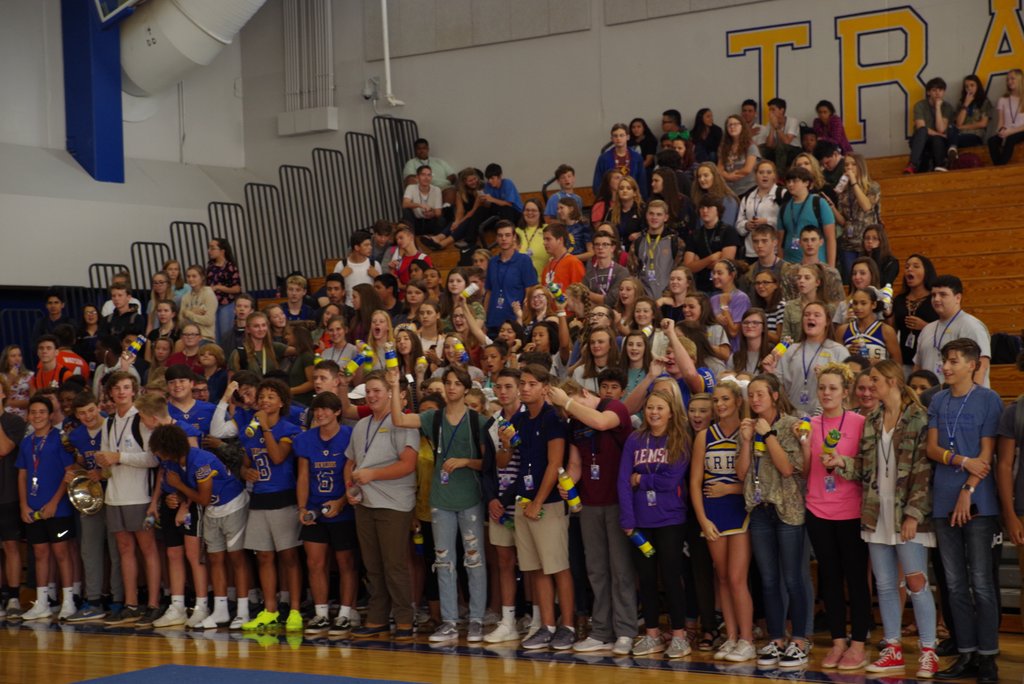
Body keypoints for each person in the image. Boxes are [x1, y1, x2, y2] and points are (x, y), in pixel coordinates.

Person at [388, 366, 490, 642]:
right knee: (443, 561)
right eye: (448, 382)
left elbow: (489, 463)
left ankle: (477, 619)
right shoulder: (433, 418)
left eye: (457, 383)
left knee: (474, 559)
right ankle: (449, 621)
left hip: (470, 497)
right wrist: (395, 386)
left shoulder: (478, 421)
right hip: (441, 499)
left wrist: (466, 462)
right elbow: (398, 419)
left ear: (467, 389)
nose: (452, 387)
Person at [926, 339, 1003, 684]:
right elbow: (932, 448)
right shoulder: (938, 399)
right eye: (945, 360)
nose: (946, 366)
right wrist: (959, 460)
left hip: (978, 502)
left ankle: (987, 657)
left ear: (972, 365)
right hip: (942, 501)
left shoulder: (989, 399)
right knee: (954, 584)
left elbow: (986, 456)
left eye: (953, 361)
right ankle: (966, 652)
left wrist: (967, 490)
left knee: (981, 583)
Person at [860, 360, 939, 678]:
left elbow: (923, 471)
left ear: (892, 381)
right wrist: (839, 462)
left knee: (917, 582)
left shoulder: (919, 417)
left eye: (875, 380)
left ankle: (928, 650)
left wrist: (913, 514)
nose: (870, 386)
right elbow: (865, 467)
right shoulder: (872, 418)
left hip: (908, 514)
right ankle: (892, 648)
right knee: (885, 584)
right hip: (876, 511)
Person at [800, 363, 870, 670]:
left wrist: (842, 461)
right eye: (822, 388)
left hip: (851, 511)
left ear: (845, 392)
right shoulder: (809, 425)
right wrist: (804, 448)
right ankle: (838, 641)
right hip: (818, 509)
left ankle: (859, 644)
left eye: (833, 388)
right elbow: (804, 470)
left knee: (856, 578)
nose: (826, 393)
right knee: (829, 577)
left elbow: (866, 466)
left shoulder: (859, 422)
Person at [740, 374, 811, 667]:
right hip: (760, 510)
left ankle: (800, 639)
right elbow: (741, 472)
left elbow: (787, 469)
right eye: (751, 395)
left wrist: (768, 435)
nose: (755, 399)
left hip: (788, 510)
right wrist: (747, 441)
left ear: (774, 396)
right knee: (768, 579)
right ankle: (777, 638)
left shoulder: (792, 424)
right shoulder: (749, 427)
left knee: (793, 577)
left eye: (760, 394)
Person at [343, 371, 418, 640]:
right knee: (372, 564)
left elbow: (408, 464)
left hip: (393, 503)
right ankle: (377, 618)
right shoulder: (361, 425)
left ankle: (404, 619)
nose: (371, 396)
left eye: (377, 390)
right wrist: (349, 488)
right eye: (368, 391)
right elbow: (350, 462)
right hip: (365, 501)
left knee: (393, 564)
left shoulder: (403, 423)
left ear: (390, 393)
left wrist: (372, 474)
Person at [618, 388, 691, 658]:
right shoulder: (635, 440)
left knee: (671, 577)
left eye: (660, 408)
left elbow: (670, 481)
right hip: (640, 523)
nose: (654, 412)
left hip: (670, 519)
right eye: (650, 408)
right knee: (646, 579)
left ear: (671, 412)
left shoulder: (680, 438)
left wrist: (641, 479)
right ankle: (652, 634)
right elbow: (623, 480)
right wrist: (628, 520)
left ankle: (680, 636)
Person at [506, 365, 575, 650]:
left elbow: (555, 463)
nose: (525, 388)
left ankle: (568, 625)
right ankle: (547, 625)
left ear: (545, 388)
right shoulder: (519, 419)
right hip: (523, 501)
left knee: (558, 566)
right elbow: (507, 459)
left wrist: (538, 501)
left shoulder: (553, 419)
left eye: (532, 384)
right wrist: (504, 444)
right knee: (535, 568)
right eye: (522, 383)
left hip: (548, 503)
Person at [688, 382, 756, 662]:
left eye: (725, 399)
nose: (720, 405)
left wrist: (729, 489)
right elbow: (695, 482)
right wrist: (702, 520)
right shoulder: (704, 436)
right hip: (713, 513)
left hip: (741, 511)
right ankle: (731, 636)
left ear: (738, 401)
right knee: (723, 577)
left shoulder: (748, 431)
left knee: (738, 579)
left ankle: (747, 639)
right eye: (716, 400)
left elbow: (755, 481)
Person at [95, 372, 162, 627]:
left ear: (134, 391)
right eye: (117, 388)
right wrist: (102, 462)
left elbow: (153, 459)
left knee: (148, 549)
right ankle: (131, 604)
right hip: (114, 495)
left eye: (126, 387)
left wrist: (119, 457)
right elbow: (106, 458)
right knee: (124, 550)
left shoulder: (141, 418)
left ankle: (153, 604)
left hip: (140, 494)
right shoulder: (108, 422)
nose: (121, 392)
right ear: (110, 394)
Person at [237, 379, 303, 632]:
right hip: (259, 499)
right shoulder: (251, 431)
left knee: (289, 556)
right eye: (262, 396)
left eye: (271, 397)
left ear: (282, 403)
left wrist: (265, 427)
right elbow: (245, 462)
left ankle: (294, 610)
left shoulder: (288, 429)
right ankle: (270, 610)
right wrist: (245, 472)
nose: (265, 401)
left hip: (283, 498)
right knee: (263, 556)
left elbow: (277, 457)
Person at [291, 392, 358, 636]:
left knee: (346, 562)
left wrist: (341, 502)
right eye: (317, 410)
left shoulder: (350, 435)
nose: (320, 414)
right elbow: (303, 476)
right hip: (315, 508)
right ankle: (320, 613)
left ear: (337, 411)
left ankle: (345, 614)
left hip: (344, 509)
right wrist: (302, 507)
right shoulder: (305, 439)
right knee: (314, 562)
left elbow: (355, 475)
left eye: (325, 409)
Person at [14, 394, 76, 621]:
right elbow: (22, 475)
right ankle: (42, 603)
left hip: (58, 509)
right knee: (40, 553)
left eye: (42, 412)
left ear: (50, 415)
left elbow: (69, 473)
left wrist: (54, 503)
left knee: (61, 552)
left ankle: (68, 601)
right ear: (28, 416)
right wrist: (23, 505)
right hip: (33, 507)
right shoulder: (27, 442)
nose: (37, 416)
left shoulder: (61, 439)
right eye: (33, 412)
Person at [763, 301, 850, 416]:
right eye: (807, 315)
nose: (810, 318)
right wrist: (771, 373)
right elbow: (779, 387)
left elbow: (848, 387)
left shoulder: (838, 351)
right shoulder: (791, 350)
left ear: (827, 321)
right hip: (793, 415)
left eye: (817, 315)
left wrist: (826, 378)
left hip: (824, 415)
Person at [913, 275, 992, 388]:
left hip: (960, 396)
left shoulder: (971, 326)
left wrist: (972, 396)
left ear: (958, 298)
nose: (936, 299)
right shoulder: (927, 329)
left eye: (943, 294)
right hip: (930, 396)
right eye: (933, 295)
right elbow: (918, 367)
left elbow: (980, 367)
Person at [485, 220, 538, 336]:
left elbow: (530, 292)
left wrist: (524, 319)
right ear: (496, 238)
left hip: (514, 323)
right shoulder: (492, 262)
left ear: (514, 237)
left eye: (507, 235)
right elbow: (489, 292)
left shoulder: (524, 260)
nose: (504, 239)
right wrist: (485, 319)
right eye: (500, 235)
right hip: (493, 322)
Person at [833, 154, 881, 278]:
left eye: (853, 164)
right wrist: (832, 208)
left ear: (860, 166)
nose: (849, 167)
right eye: (846, 165)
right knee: (852, 278)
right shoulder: (843, 191)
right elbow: (843, 221)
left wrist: (854, 183)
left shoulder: (872, 187)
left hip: (867, 242)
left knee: (868, 277)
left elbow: (866, 206)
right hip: (848, 242)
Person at [778, 166, 837, 268]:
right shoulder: (784, 208)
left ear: (806, 183)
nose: (790, 184)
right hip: (789, 264)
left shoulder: (819, 203)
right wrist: (780, 266)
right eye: (788, 181)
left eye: (795, 181)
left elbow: (830, 238)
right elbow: (780, 241)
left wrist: (830, 268)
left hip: (816, 265)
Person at [683, 197, 741, 294]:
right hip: (701, 287)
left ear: (718, 210)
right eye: (702, 208)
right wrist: (711, 258)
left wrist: (699, 262)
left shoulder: (728, 231)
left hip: (723, 287)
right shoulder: (695, 234)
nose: (705, 211)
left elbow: (726, 264)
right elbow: (688, 267)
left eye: (709, 207)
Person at [735, 161, 785, 263]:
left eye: (769, 172)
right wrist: (746, 225)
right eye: (761, 172)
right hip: (751, 251)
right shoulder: (747, 197)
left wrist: (767, 221)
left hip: (775, 251)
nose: (765, 175)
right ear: (755, 176)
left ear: (774, 175)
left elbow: (787, 223)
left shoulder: (782, 194)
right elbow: (739, 225)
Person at [635, 200, 686, 298]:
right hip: (643, 299)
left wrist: (668, 296)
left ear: (665, 217)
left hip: (668, 298)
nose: (654, 217)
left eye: (659, 214)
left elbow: (680, 272)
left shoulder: (676, 242)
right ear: (646, 216)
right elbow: (632, 273)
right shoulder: (638, 242)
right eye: (651, 214)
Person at [905, 77, 955, 173]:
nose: (937, 93)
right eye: (934, 90)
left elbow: (941, 129)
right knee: (923, 131)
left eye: (940, 90)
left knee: (937, 139)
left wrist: (938, 107)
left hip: (938, 142)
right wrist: (940, 134)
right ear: (928, 92)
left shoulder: (947, 107)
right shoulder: (920, 105)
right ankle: (912, 164)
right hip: (921, 140)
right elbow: (921, 127)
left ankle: (940, 166)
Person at [839, 288, 901, 362]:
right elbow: (835, 361)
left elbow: (898, 363)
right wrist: (846, 353)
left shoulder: (886, 331)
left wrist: (879, 363)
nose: (858, 307)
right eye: (855, 303)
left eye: (863, 303)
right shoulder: (842, 330)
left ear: (874, 305)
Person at [593, 123, 648, 198]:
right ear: (611, 139)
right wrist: (603, 199)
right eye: (615, 136)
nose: (618, 138)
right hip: (611, 198)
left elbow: (642, 182)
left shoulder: (637, 158)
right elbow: (597, 182)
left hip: (632, 198)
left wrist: (641, 199)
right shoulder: (604, 158)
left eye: (621, 135)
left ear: (628, 137)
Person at [948, 75, 993, 163]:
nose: (969, 88)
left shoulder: (984, 102)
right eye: (966, 86)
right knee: (949, 130)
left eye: (972, 85)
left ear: (977, 86)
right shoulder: (961, 103)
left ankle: (951, 151)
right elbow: (958, 123)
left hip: (975, 135)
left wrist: (962, 127)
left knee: (953, 139)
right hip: (959, 134)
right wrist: (966, 104)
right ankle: (952, 151)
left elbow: (983, 123)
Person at [710, 259, 750, 352]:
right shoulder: (713, 299)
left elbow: (733, 332)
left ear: (732, 275)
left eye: (719, 273)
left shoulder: (741, 298)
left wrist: (724, 306)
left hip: (735, 351)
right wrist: (715, 320)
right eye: (713, 273)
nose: (715, 276)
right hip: (715, 350)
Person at [206, 238, 242, 340]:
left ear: (222, 251)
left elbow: (237, 289)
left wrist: (219, 287)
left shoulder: (230, 267)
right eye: (209, 248)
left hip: (226, 304)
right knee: (215, 336)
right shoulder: (210, 267)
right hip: (212, 304)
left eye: (212, 248)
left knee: (226, 334)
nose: (209, 251)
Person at [988, 68, 1024, 165]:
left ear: (1020, 79)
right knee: (992, 141)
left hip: (1020, 130)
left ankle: (1000, 167)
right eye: (1008, 79)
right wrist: (1000, 131)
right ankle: (999, 166)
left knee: (1011, 138)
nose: (1009, 82)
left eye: (1012, 79)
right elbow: (1001, 121)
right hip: (1007, 131)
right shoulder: (1003, 99)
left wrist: (1011, 131)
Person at [717, 115, 759, 195]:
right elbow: (719, 169)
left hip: (748, 188)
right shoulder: (723, 147)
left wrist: (732, 175)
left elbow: (747, 169)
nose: (732, 127)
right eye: (729, 125)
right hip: (729, 189)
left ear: (742, 126)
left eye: (735, 124)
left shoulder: (750, 146)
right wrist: (728, 176)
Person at [540, 223, 585, 290]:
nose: (544, 243)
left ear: (560, 240)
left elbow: (579, 292)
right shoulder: (548, 265)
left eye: (548, 239)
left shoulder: (573, 262)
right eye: (544, 239)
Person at [402, 166, 446, 235]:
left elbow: (438, 212)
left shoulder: (436, 190)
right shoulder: (411, 188)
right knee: (406, 211)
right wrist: (420, 205)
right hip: (416, 221)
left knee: (441, 219)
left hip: (430, 221)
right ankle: (410, 236)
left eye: (429, 175)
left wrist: (432, 213)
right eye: (423, 175)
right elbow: (405, 204)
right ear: (417, 177)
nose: (426, 178)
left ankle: (436, 239)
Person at [761, 97, 801, 170]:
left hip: (794, 150)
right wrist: (772, 127)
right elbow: (769, 145)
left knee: (781, 147)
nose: (770, 112)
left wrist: (776, 126)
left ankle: (780, 175)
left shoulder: (793, 121)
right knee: (761, 148)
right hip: (778, 149)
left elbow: (787, 141)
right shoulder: (770, 123)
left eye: (773, 109)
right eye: (769, 110)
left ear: (781, 110)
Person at [179, 265, 218, 341]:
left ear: (202, 277)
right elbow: (181, 323)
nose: (190, 279)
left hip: (205, 336)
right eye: (188, 276)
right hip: (188, 337)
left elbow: (208, 321)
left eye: (194, 276)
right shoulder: (185, 297)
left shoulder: (208, 294)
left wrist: (188, 313)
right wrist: (193, 312)